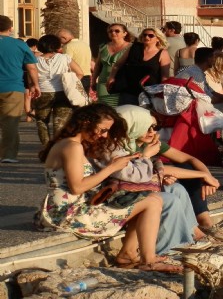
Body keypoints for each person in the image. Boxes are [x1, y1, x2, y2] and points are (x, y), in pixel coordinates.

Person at [35, 104, 181, 273]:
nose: (104, 135)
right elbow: (77, 187)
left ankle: (129, 254)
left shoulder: (71, 144)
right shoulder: (72, 146)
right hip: (67, 213)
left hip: (67, 209)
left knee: (145, 198)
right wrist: (112, 168)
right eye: (102, 129)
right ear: (86, 122)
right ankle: (148, 261)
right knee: (153, 201)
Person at [115, 105, 223, 239]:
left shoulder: (150, 143)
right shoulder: (120, 146)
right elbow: (147, 172)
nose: (151, 132)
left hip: (144, 183)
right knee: (178, 185)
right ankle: (192, 232)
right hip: (126, 191)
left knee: (188, 170)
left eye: (155, 127)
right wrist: (204, 175)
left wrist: (207, 178)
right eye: (145, 127)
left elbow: (188, 158)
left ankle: (204, 221)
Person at [0, 16, 40, 163]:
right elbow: (31, 67)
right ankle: (8, 155)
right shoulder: (19, 45)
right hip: (13, 87)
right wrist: (35, 85)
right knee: (10, 122)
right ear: (10, 28)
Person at [33, 34, 85, 145]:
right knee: (60, 123)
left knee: (42, 121)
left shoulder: (35, 60)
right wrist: (72, 83)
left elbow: (31, 78)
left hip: (43, 92)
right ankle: (58, 147)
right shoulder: (64, 58)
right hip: (63, 92)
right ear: (57, 46)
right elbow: (80, 73)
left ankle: (47, 148)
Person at [107, 28, 171, 106]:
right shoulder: (134, 48)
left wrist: (162, 92)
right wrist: (111, 77)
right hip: (129, 90)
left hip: (150, 92)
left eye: (151, 36)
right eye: (144, 35)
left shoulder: (163, 53)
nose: (147, 37)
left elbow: (165, 76)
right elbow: (118, 64)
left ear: (158, 39)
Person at [92, 23, 133, 107]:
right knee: (104, 108)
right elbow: (98, 66)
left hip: (121, 83)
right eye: (110, 31)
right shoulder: (103, 47)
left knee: (120, 109)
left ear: (125, 33)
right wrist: (93, 80)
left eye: (117, 31)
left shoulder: (131, 47)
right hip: (103, 83)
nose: (113, 33)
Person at [57, 29, 92, 93]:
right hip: (87, 76)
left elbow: (66, 63)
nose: (60, 42)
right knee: (84, 100)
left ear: (64, 38)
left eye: (60, 40)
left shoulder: (68, 46)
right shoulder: (84, 44)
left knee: (73, 100)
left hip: (76, 77)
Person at [23, 38, 41, 122]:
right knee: (35, 94)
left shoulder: (22, 52)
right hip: (32, 75)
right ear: (34, 46)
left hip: (23, 74)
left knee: (27, 96)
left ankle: (28, 116)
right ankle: (33, 111)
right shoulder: (36, 54)